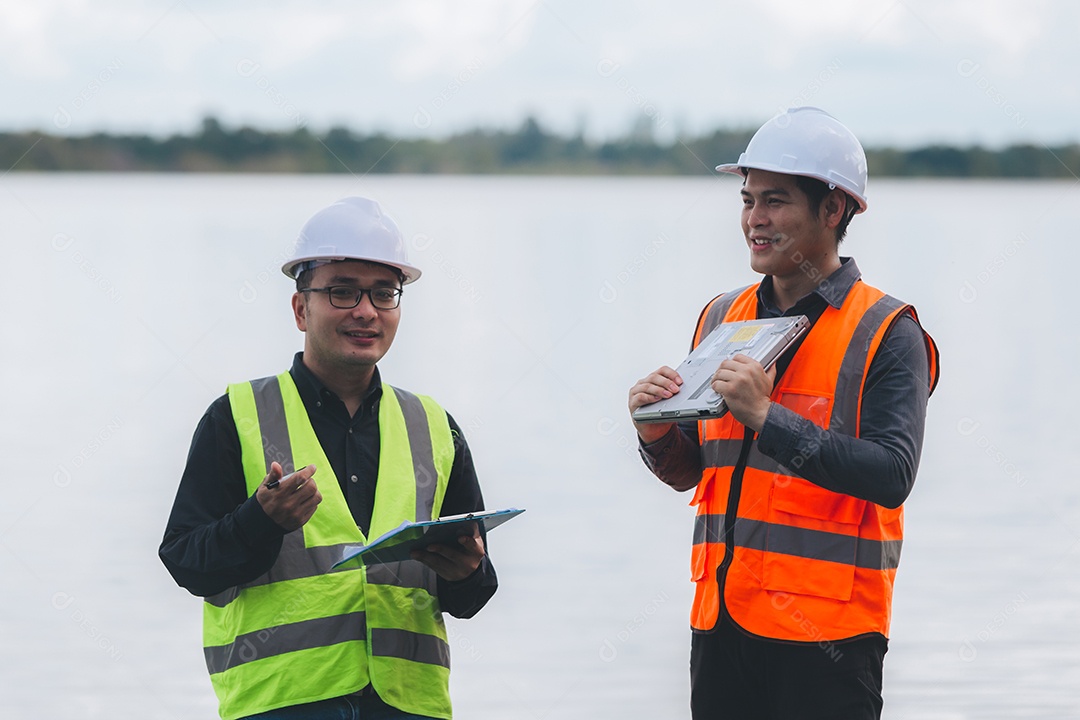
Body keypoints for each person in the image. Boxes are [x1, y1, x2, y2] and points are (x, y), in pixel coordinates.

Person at [627, 107, 940, 720]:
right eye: (747, 200)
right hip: (719, 622)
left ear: (835, 210)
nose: (755, 220)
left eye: (776, 201)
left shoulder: (887, 331)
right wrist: (655, 432)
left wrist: (768, 417)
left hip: (829, 640)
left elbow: (891, 475)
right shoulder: (722, 316)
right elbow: (694, 471)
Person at [160, 197, 497, 720]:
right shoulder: (238, 416)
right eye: (342, 291)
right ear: (300, 309)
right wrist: (259, 523)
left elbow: (473, 594)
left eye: (384, 293)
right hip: (280, 704)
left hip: (410, 706)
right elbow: (185, 562)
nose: (366, 311)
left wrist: (467, 571)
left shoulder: (435, 426)